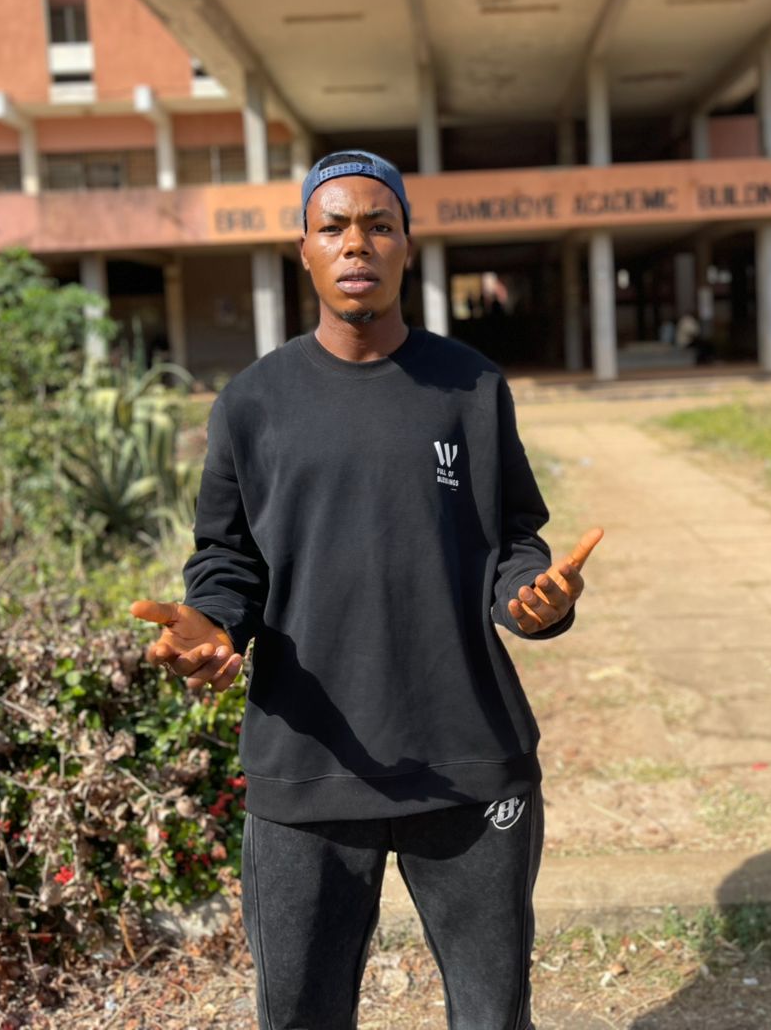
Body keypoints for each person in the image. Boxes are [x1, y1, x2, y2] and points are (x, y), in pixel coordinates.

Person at [131, 150, 603, 1030]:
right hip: (306, 765)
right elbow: (227, 560)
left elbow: (512, 542)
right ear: (305, 250)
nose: (357, 244)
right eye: (335, 227)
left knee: (493, 1017)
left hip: (468, 759)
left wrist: (536, 598)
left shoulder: (471, 387)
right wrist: (210, 623)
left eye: (379, 226)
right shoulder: (252, 403)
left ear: (406, 247)